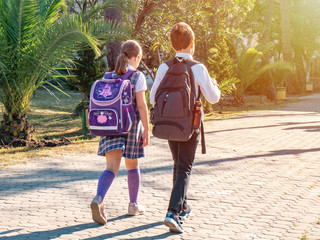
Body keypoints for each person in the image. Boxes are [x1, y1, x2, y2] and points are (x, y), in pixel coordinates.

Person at [150, 22, 221, 233]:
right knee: (184, 167)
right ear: (192, 44)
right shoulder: (198, 67)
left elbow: (153, 97)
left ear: (172, 45)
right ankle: (173, 212)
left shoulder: (165, 67)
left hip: (170, 124)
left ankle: (183, 206)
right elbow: (213, 98)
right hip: (190, 125)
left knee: (178, 164)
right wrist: (214, 85)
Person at [91, 40, 149, 225]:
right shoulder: (137, 76)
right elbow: (141, 105)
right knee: (133, 166)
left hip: (110, 125)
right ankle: (133, 205)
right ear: (137, 57)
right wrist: (147, 129)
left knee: (111, 168)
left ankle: (99, 198)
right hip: (131, 127)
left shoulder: (108, 75)